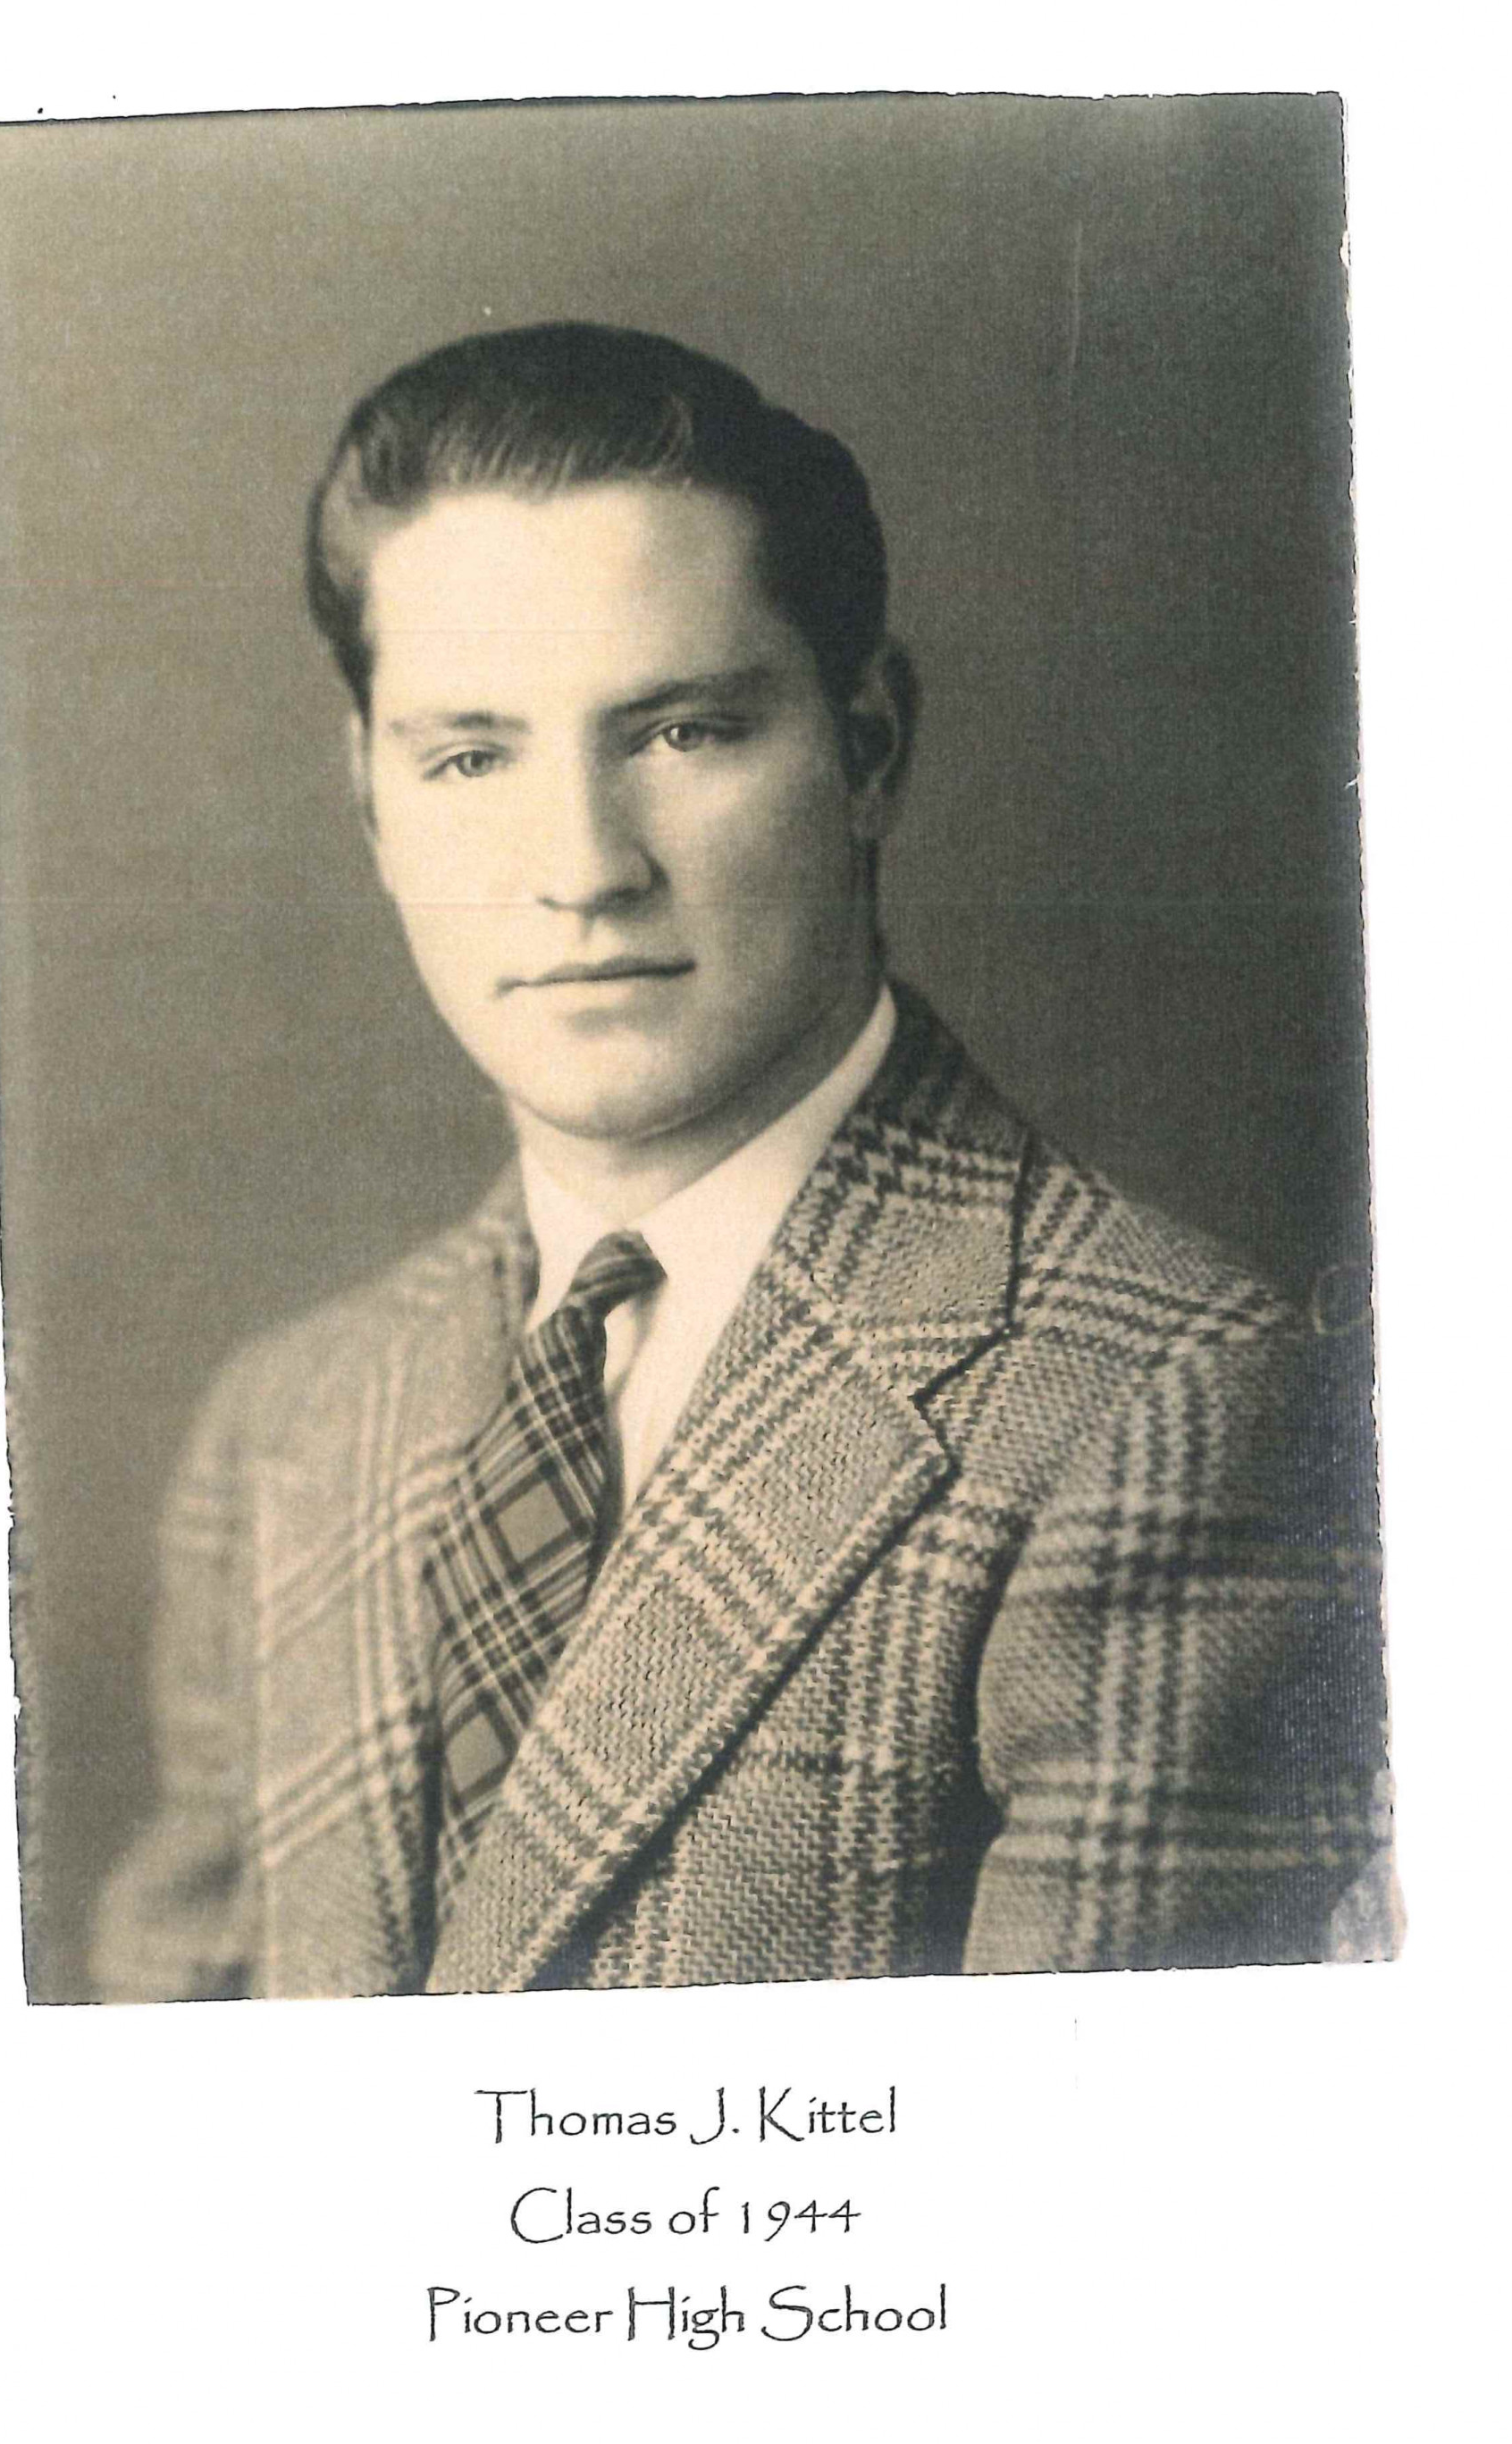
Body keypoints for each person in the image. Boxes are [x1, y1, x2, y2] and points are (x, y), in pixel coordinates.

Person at [93, 322, 1394, 2000]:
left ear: (867, 748)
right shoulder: (286, 1427)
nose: (581, 868)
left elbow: (1082, 2158)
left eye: (682, 732)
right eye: (471, 755)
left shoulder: (1166, 1410)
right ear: (368, 801)